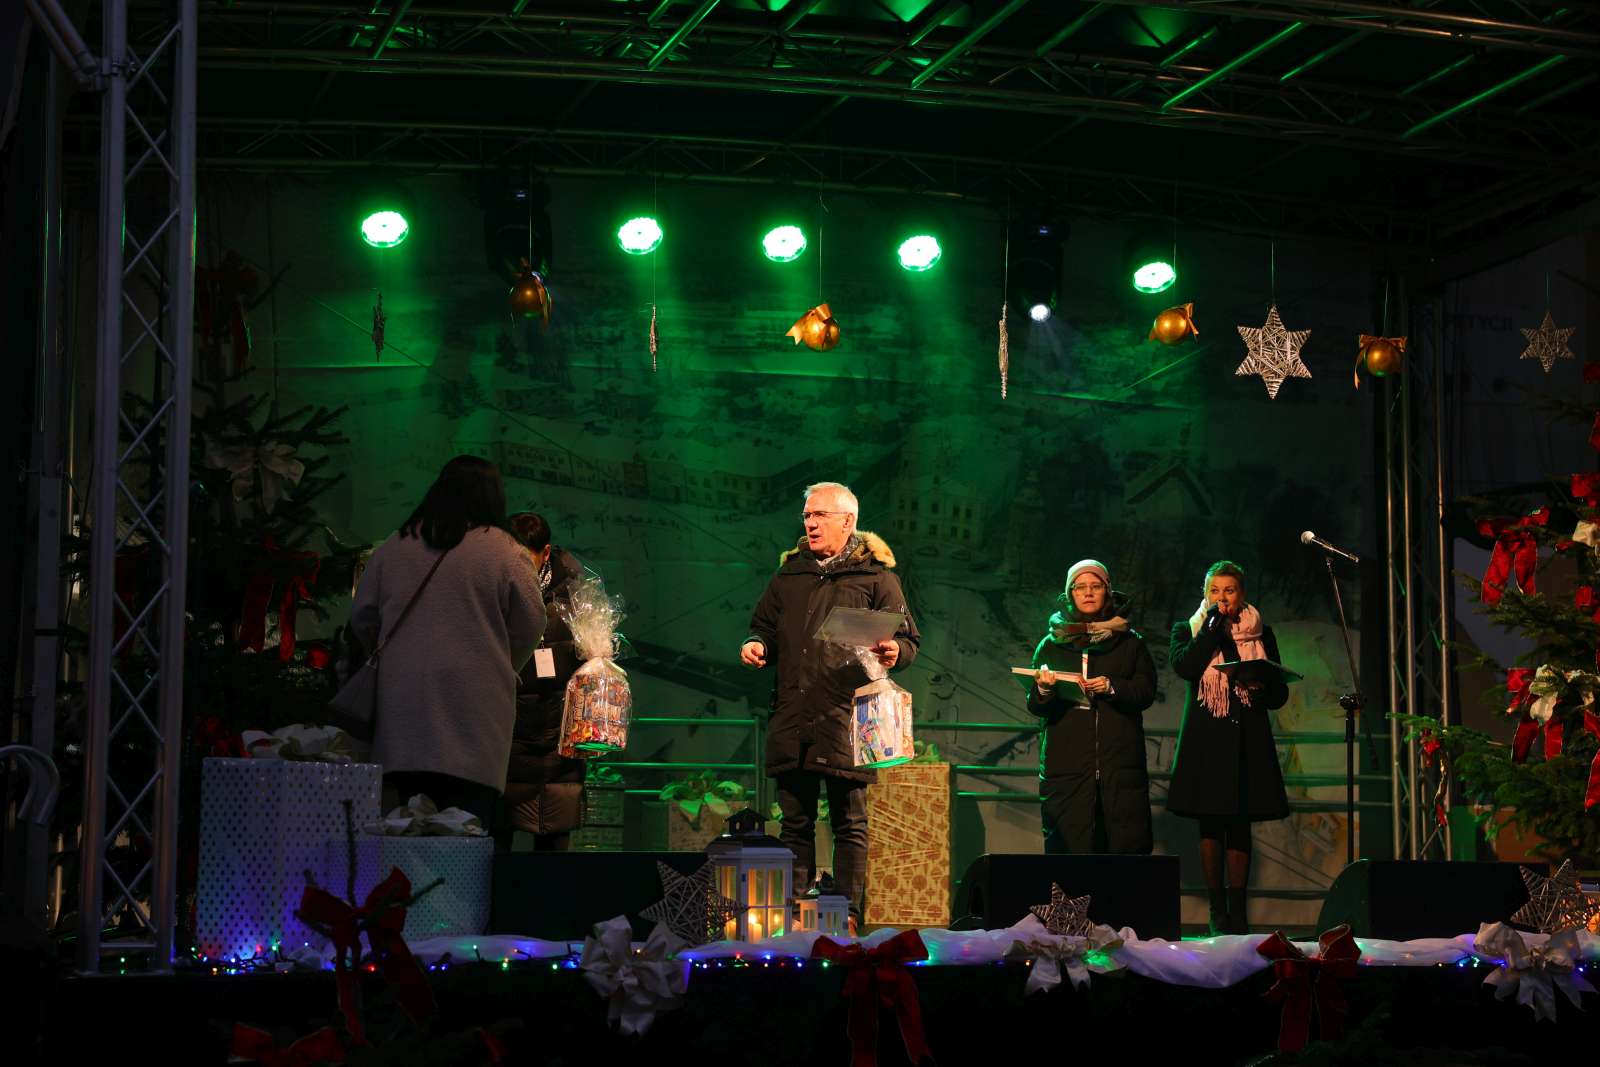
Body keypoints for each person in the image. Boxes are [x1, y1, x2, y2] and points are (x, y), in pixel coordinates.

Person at [740, 481, 921, 925]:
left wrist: (896, 651)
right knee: (794, 823)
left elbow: (907, 640)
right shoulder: (789, 575)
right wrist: (756, 644)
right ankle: (793, 915)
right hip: (794, 715)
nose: (810, 523)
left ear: (848, 521)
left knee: (849, 822)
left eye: (820, 515)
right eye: (807, 515)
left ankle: (847, 914)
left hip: (848, 718)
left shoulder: (877, 577)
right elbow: (763, 626)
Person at [350, 456, 546, 832]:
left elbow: (362, 617)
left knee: (402, 832)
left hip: (402, 716)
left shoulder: (395, 546)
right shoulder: (506, 552)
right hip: (476, 720)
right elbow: (532, 622)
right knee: (465, 833)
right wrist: (502, 663)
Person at [1166, 560, 1290, 935]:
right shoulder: (1188, 628)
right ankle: (1216, 910)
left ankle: (1238, 912)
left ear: (1242, 594)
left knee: (1240, 824)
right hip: (1207, 738)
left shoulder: (1262, 632)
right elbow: (1186, 668)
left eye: (1229, 590)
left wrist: (1262, 688)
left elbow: (1279, 693)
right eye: (1214, 591)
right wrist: (1211, 629)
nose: (1222, 597)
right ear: (1205, 594)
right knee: (1210, 824)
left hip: (1248, 736)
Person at [1028, 559, 1157, 854]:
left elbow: (1146, 691)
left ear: (1107, 591)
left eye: (1095, 586)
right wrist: (1044, 690)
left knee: (1123, 854)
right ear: (1070, 594)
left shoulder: (1130, 643)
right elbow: (1036, 705)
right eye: (1080, 587)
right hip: (1067, 768)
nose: (1088, 592)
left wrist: (1112, 687)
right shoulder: (1051, 644)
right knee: (1070, 856)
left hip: (1120, 768)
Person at [498, 512, 588, 852]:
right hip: (506, 737)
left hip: (559, 741)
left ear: (546, 553)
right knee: (496, 846)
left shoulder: (576, 598)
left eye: (526, 559)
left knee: (554, 852)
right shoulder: (492, 592)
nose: (517, 569)